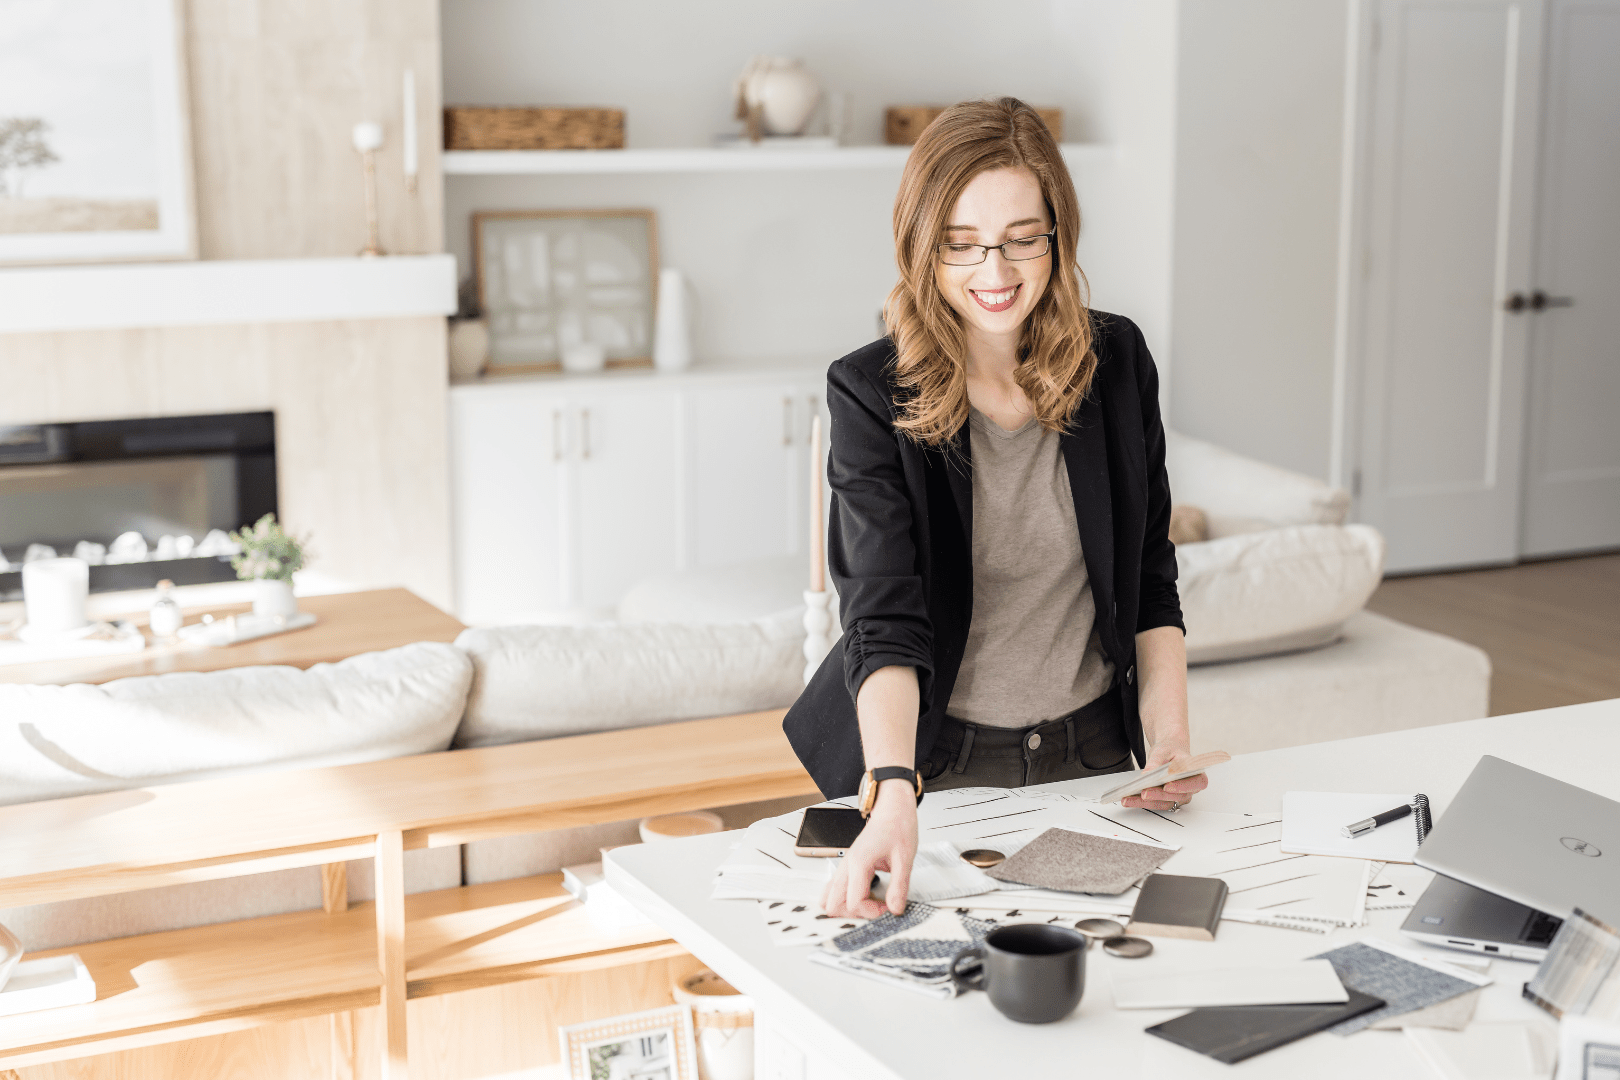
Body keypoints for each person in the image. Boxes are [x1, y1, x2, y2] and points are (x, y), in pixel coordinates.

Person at [782, 97, 1207, 921]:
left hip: (1092, 752)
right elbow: (884, 619)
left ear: (1058, 232)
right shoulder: (871, 392)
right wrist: (893, 791)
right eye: (962, 244)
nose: (997, 271)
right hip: (934, 762)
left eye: (1022, 237)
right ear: (921, 245)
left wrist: (1169, 746)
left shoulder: (1116, 362)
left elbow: (1152, 579)